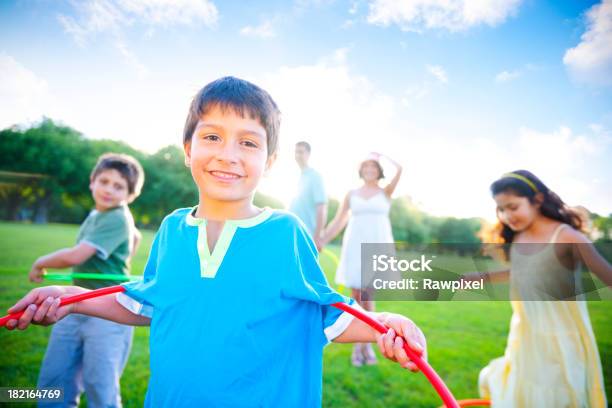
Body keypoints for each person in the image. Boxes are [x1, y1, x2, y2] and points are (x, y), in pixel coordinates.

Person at [5, 77, 426, 407]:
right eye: (212, 137)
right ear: (187, 149)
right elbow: (148, 302)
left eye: (248, 142)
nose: (228, 154)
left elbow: (326, 316)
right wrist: (69, 297)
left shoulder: (284, 232)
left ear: (270, 162)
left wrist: (382, 324)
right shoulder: (172, 229)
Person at [464, 170, 610, 407]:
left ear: (537, 200)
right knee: (524, 389)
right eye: (501, 209)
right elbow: (523, 274)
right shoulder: (520, 237)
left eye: (513, 206)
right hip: (526, 330)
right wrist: (480, 277)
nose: (506, 215)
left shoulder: (566, 237)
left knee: (556, 394)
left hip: (560, 337)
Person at [28, 153, 144, 408]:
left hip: (107, 311)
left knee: (100, 385)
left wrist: (41, 262)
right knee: (55, 378)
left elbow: (77, 254)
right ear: (92, 181)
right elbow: (135, 236)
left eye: (119, 186)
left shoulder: (116, 217)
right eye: (104, 181)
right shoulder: (99, 214)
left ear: (129, 195)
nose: (108, 190)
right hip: (73, 303)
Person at [320, 152, 402, 366]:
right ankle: (363, 347)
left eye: (373, 167)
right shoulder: (351, 193)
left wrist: (382, 156)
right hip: (355, 244)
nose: (369, 170)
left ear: (379, 171)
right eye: (365, 167)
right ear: (361, 170)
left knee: (367, 295)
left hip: (376, 245)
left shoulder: (385, 192)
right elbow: (339, 221)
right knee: (357, 296)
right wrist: (321, 240)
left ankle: (364, 348)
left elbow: (400, 169)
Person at [289, 141, 327, 250]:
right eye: (296, 152)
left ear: (308, 154)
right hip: (292, 232)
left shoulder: (315, 176)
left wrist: (317, 237)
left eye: (301, 152)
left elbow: (321, 208)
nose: (297, 155)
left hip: (307, 234)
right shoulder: (295, 176)